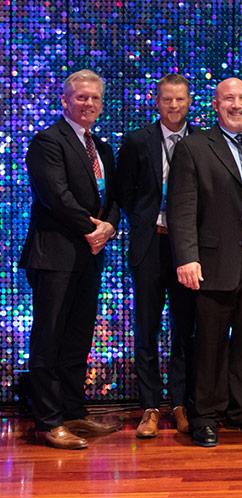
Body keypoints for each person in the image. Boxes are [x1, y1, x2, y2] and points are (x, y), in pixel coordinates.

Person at [167, 77, 242, 447]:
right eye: (229, 99)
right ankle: (205, 415)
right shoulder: (195, 147)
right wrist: (187, 257)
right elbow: (182, 208)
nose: (237, 105)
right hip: (214, 261)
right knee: (210, 343)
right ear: (215, 105)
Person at [20, 69, 122, 449]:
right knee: (49, 338)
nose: (89, 104)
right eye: (81, 97)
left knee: (77, 339)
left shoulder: (102, 148)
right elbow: (55, 195)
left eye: (95, 98)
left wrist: (109, 226)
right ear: (65, 100)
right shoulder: (47, 141)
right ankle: (48, 422)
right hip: (54, 256)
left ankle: (72, 411)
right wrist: (91, 229)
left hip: (89, 257)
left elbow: (114, 198)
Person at [116, 73, 197, 438]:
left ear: (189, 101)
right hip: (150, 244)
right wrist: (145, 221)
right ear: (157, 101)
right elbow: (124, 192)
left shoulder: (201, 139)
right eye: (168, 99)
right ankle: (149, 406)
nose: (174, 106)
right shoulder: (137, 140)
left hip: (186, 248)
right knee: (146, 328)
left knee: (185, 328)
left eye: (180, 99)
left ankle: (180, 402)